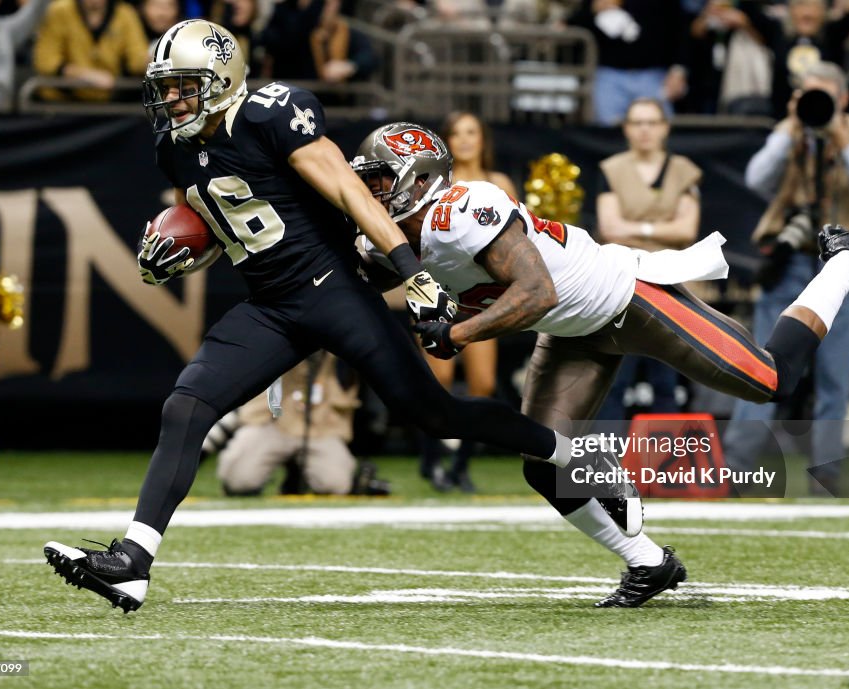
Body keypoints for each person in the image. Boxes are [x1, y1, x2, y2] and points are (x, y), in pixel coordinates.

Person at [41, 19, 626, 614]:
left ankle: (568, 451)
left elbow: (350, 192)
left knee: (432, 412)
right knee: (186, 405)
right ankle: (133, 562)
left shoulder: (273, 112)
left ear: (220, 80)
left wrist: (410, 271)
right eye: (164, 87)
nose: (169, 99)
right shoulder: (174, 147)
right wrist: (182, 251)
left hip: (332, 287)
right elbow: (225, 219)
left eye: (182, 85)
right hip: (271, 305)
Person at [351, 120, 849, 608]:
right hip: (572, 333)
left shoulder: (462, 210)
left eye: (379, 179)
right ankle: (648, 563)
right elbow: (361, 284)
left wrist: (458, 331)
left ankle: (844, 256)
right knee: (543, 463)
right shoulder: (386, 235)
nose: (370, 191)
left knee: (770, 378)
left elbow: (537, 291)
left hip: (626, 297)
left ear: (419, 180)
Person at [722, 61, 849, 496]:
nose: (815, 105)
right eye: (807, 95)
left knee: (835, 373)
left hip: (841, 261)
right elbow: (758, 179)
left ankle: (827, 474)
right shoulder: (789, 130)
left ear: (843, 98)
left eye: (823, 97)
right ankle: (737, 469)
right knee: (761, 363)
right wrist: (789, 128)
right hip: (790, 257)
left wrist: (838, 132)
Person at [418, 111, 512, 493]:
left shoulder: (500, 183)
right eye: (456, 133)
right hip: (440, 292)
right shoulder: (437, 184)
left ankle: (460, 466)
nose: (466, 139)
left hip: (484, 296)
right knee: (436, 380)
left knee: (483, 383)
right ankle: (431, 462)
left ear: (483, 139)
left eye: (473, 132)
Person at [595, 97, 701, 419]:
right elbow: (609, 228)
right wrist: (661, 227)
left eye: (652, 122)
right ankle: (607, 460)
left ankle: (663, 464)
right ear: (627, 129)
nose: (645, 130)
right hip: (620, 286)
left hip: (671, 287)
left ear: (664, 128)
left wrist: (635, 228)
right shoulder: (611, 169)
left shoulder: (684, 171)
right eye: (637, 122)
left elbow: (687, 229)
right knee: (615, 378)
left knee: (667, 380)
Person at [216, 352, 360, 497]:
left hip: (320, 426)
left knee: (335, 485)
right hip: (270, 420)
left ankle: (300, 474)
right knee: (239, 482)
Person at [567, 0, 690, 125]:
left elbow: (681, 28)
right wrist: (593, 9)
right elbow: (574, 25)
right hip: (608, 75)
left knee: (656, 128)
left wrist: (678, 69)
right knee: (606, 132)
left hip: (653, 74)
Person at [739, 0, 849, 119]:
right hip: (783, 114)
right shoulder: (778, 33)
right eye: (800, 7)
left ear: (823, 13)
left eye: (813, 8)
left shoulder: (832, 34)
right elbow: (750, 10)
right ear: (791, 12)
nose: (806, 13)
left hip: (827, 113)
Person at [32, 0, 150, 102]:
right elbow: (45, 61)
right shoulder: (58, 11)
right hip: (61, 102)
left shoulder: (125, 14)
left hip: (108, 102)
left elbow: (137, 59)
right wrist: (83, 74)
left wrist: (153, 59)